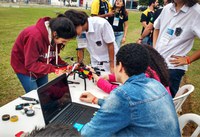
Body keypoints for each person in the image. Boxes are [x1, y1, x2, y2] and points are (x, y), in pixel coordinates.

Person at [79, 43, 180, 136]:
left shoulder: (122, 94)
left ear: (120, 67)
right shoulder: (156, 84)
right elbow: (134, 106)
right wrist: (96, 100)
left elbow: (88, 133)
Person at [10, 16, 76, 93]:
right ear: (55, 34)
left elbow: (52, 56)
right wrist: (54, 69)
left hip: (41, 63)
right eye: (64, 41)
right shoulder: (34, 37)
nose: (64, 43)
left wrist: (64, 66)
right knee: (35, 94)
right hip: (24, 67)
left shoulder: (55, 37)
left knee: (44, 92)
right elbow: (30, 64)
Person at [153, 0, 200, 97]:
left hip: (173, 68)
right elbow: (156, 27)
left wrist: (188, 59)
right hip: (156, 63)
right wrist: (154, 49)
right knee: (151, 98)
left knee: (166, 101)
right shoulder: (167, 8)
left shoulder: (196, 12)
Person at [89, 45, 171, 95]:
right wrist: (110, 77)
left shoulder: (145, 79)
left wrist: (98, 79)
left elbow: (120, 92)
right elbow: (129, 75)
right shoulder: (153, 71)